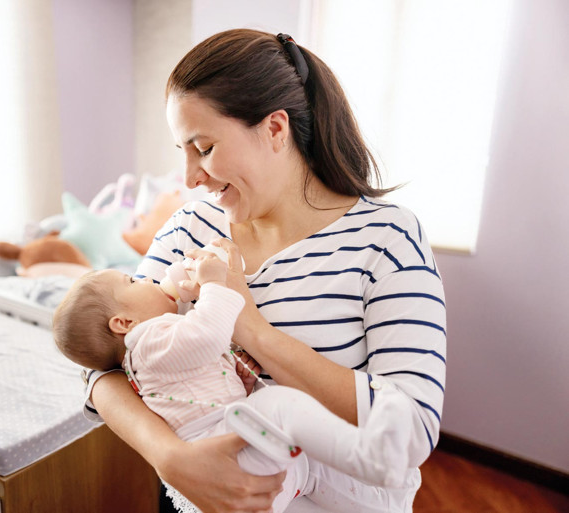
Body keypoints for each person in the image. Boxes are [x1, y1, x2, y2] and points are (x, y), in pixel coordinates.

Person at [85, 29, 446, 513]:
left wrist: (250, 327)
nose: (190, 177)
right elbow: (102, 361)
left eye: (204, 147)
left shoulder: (387, 238)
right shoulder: (190, 227)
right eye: (183, 152)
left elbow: (413, 428)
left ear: (276, 129)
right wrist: (170, 458)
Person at [54, 254, 415, 513]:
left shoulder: (152, 351)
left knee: (312, 468)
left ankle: (384, 488)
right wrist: (214, 283)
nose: (146, 279)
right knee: (279, 404)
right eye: (132, 282)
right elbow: (208, 335)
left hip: (243, 455)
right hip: (224, 448)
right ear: (123, 323)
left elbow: (198, 379)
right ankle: (368, 455)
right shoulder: (147, 340)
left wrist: (237, 376)